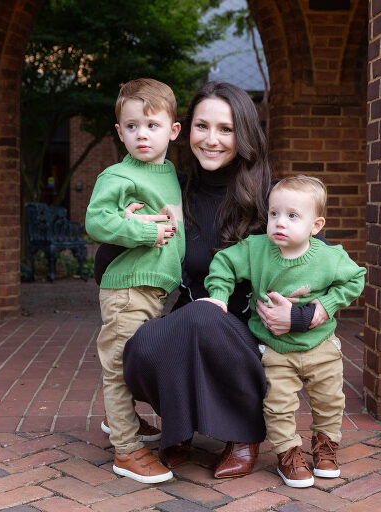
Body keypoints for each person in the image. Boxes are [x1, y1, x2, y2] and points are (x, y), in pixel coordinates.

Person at [110, 82, 326, 479]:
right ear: (184, 130)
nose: (212, 140)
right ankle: (181, 424)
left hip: (253, 331)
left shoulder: (270, 195)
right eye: (202, 126)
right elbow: (106, 264)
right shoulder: (172, 190)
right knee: (139, 344)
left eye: (225, 129)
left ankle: (244, 434)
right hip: (193, 319)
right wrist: (130, 228)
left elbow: (324, 262)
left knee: (204, 318)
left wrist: (307, 315)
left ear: (243, 134)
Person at [202, 175, 366, 487]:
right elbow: (223, 263)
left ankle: (326, 447)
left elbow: (355, 278)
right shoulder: (256, 249)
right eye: (274, 213)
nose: (280, 222)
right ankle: (288, 454)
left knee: (330, 400)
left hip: (320, 345)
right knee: (277, 405)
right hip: (275, 348)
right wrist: (219, 296)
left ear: (315, 226)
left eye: (293, 216)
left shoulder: (329, 257)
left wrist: (325, 306)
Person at [84, 78, 184, 484]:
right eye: (131, 126)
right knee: (119, 363)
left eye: (152, 125)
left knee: (139, 360)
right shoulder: (118, 175)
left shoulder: (170, 171)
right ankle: (126, 450)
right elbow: (96, 220)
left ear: (173, 130)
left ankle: (119, 417)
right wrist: (142, 232)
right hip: (127, 287)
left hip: (155, 288)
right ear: (119, 131)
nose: (141, 134)